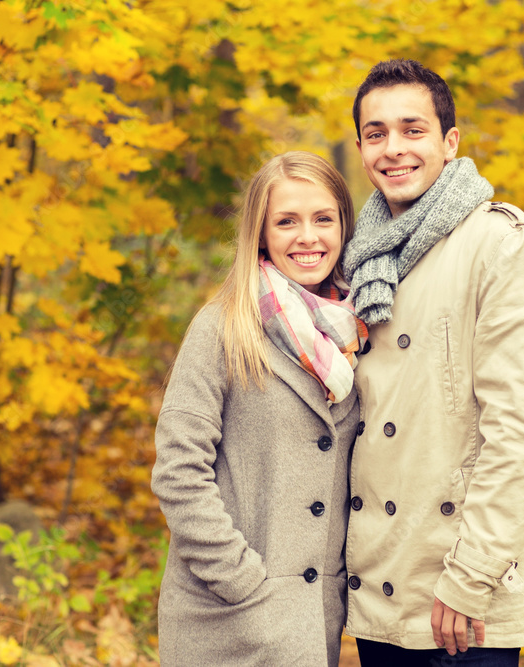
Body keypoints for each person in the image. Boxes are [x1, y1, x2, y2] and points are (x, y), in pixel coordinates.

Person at [342, 59, 524, 666]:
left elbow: (522, 431)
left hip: (460, 598)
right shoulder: (362, 258)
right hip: (378, 587)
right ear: (361, 149)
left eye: (412, 130)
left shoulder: (502, 245)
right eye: (376, 133)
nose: (393, 148)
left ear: (450, 142)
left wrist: (470, 577)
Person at [151, 151, 367, 666]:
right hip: (227, 618)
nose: (308, 237)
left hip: (314, 619)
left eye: (323, 219)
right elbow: (179, 472)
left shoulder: (359, 331)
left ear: (344, 226)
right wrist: (243, 581)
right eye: (287, 221)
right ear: (261, 234)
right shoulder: (222, 327)